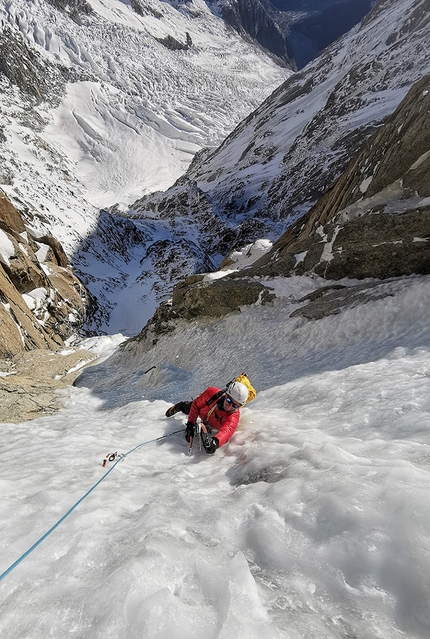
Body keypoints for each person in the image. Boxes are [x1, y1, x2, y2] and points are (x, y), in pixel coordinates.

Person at [165, 381, 249, 454]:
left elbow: (227, 432)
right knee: (189, 407)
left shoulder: (233, 417)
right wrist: (190, 424)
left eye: (234, 405)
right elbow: (196, 405)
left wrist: (215, 443)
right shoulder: (212, 393)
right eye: (229, 401)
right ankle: (179, 406)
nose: (230, 406)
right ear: (226, 394)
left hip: (210, 422)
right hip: (203, 411)